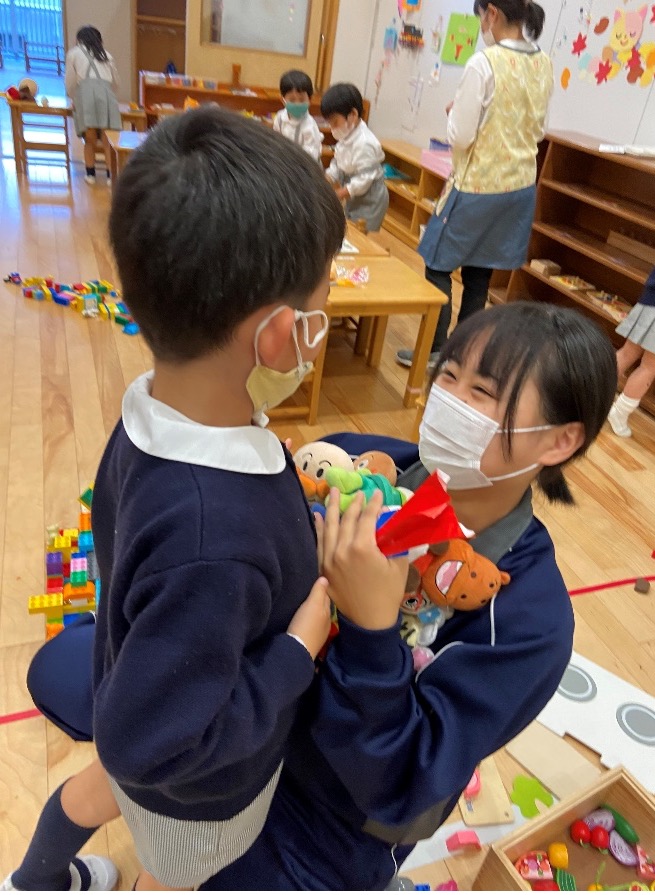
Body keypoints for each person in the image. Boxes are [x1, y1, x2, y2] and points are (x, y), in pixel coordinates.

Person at [19, 303, 617, 890]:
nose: (449, 401)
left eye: (481, 392)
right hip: (246, 726)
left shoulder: (528, 621)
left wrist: (371, 631)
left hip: (332, 816)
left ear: (558, 441)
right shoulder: (357, 462)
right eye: (449, 375)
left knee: (177, 858)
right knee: (153, 823)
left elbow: (404, 782)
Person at [1, 106, 345, 892]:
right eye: (321, 308)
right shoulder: (213, 536)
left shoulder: (152, 412)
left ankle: (34, 880)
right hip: (199, 797)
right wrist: (297, 650)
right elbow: (150, 745)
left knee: (99, 786)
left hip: (145, 677)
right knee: (160, 847)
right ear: (276, 336)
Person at [397, 0, 553, 368]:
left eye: (480, 16)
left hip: (478, 185)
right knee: (480, 271)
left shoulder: (484, 62)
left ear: (492, 13)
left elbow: (462, 136)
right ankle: (462, 353)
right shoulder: (544, 62)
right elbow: (539, 130)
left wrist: (454, 113)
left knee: (437, 264)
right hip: (519, 189)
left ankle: (435, 349)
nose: (481, 24)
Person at [608, 247, 655, 438]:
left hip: (654, 296)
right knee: (650, 367)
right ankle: (619, 413)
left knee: (628, 352)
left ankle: (591, 394)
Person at [322, 82, 389, 232]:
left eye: (335, 122)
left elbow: (364, 180)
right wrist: (326, 179)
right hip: (354, 192)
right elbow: (337, 164)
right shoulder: (346, 136)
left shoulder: (365, 143)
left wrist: (338, 194)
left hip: (370, 198)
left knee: (361, 231)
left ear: (353, 115)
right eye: (329, 124)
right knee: (349, 225)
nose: (332, 129)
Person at [65, 25, 121, 186]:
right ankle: (111, 177)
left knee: (89, 139)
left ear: (79, 39)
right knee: (107, 141)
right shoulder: (106, 55)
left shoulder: (74, 53)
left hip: (85, 95)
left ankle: (90, 175)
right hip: (107, 95)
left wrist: (73, 97)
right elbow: (116, 82)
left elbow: (70, 81)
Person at [273, 69, 323, 163]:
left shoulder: (310, 125)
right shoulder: (279, 118)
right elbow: (276, 141)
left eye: (302, 100)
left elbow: (312, 155)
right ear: (283, 100)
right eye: (292, 100)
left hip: (304, 165)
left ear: (310, 100)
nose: (297, 104)